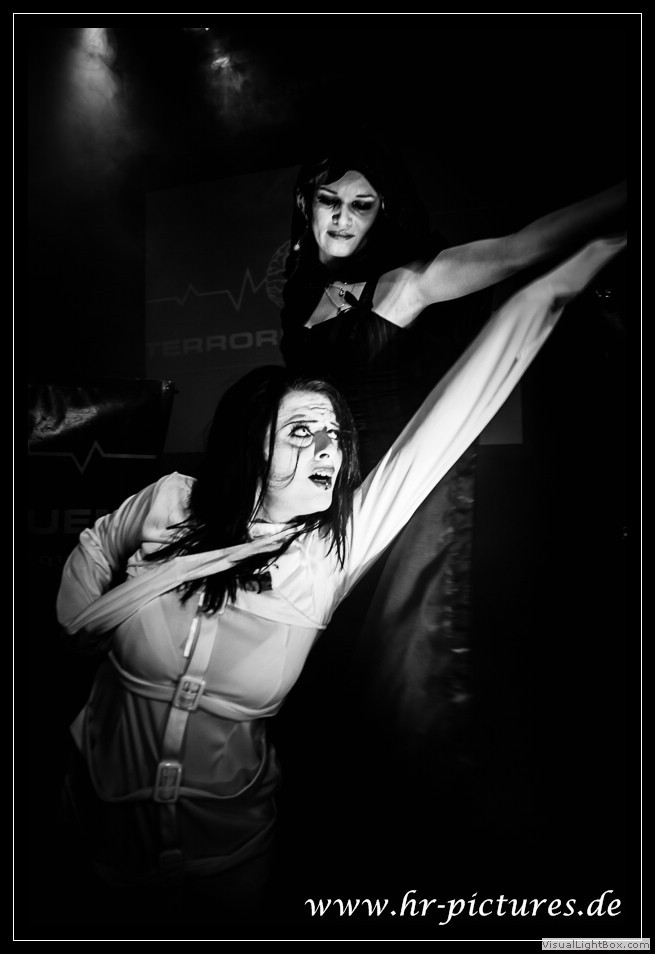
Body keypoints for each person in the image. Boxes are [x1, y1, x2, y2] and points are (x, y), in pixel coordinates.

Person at [56, 230, 624, 933]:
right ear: (253, 442)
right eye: (303, 432)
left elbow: (451, 416)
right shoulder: (174, 499)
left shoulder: (329, 551)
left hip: (231, 860)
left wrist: (560, 281)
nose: (329, 448)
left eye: (335, 436)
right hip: (95, 844)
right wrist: (77, 621)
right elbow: (95, 545)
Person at [277, 147, 628, 865]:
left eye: (361, 205)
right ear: (307, 204)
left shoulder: (406, 283)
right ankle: (332, 825)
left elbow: (523, 247)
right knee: (312, 662)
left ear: (382, 212)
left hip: (395, 500)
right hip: (322, 503)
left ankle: (413, 838)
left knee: (395, 668)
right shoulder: (300, 295)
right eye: (329, 201)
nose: (342, 218)